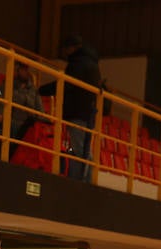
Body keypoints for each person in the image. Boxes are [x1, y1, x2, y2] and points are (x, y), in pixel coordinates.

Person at [41, 34, 101, 181]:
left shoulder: (77, 63)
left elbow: (66, 84)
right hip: (88, 112)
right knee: (84, 149)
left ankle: (86, 183)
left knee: (81, 150)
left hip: (77, 112)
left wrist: (42, 90)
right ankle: (86, 181)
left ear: (70, 48)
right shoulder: (92, 63)